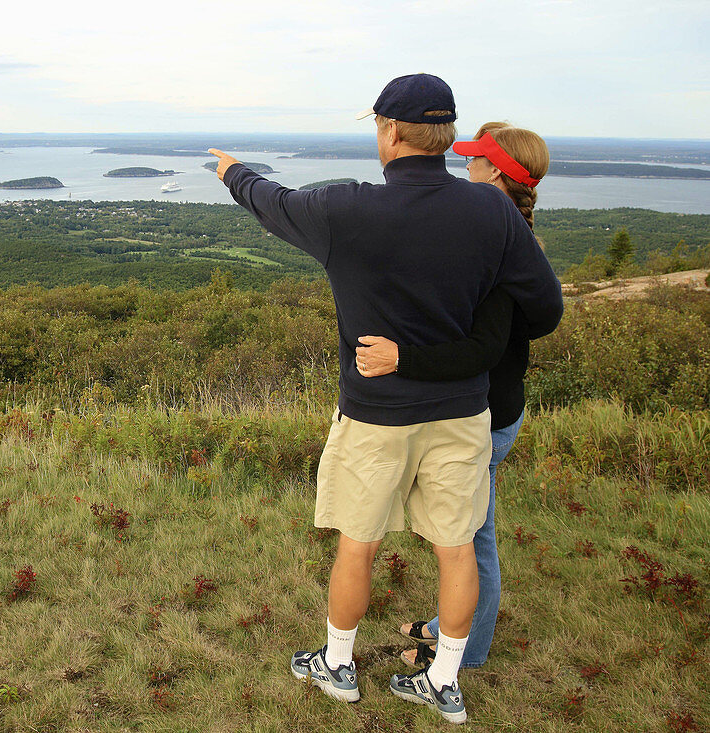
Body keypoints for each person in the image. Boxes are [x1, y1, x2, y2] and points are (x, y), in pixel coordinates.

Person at [209, 73, 563, 725]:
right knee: (458, 549)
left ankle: (339, 666)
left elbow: (271, 200)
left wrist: (233, 170)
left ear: (391, 132)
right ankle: (445, 680)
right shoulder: (492, 211)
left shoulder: (349, 209)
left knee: (359, 543)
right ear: (447, 136)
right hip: (462, 415)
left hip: (377, 413)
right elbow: (544, 306)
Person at [352, 122, 551, 671]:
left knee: (470, 539)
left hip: (486, 409)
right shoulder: (508, 234)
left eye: (476, 162)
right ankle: (449, 625)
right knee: (465, 529)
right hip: (494, 404)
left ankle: (466, 652)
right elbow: (537, 318)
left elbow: (485, 346)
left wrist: (403, 359)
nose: (466, 168)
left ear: (496, 174)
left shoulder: (503, 242)